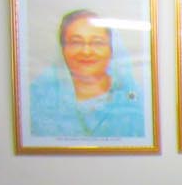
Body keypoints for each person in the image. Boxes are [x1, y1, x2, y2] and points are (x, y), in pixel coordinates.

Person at [28, 9, 147, 139]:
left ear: (111, 49)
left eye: (97, 42)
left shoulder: (137, 101)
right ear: (63, 49)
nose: (86, 51)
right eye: (76, 42)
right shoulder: (36, 100)